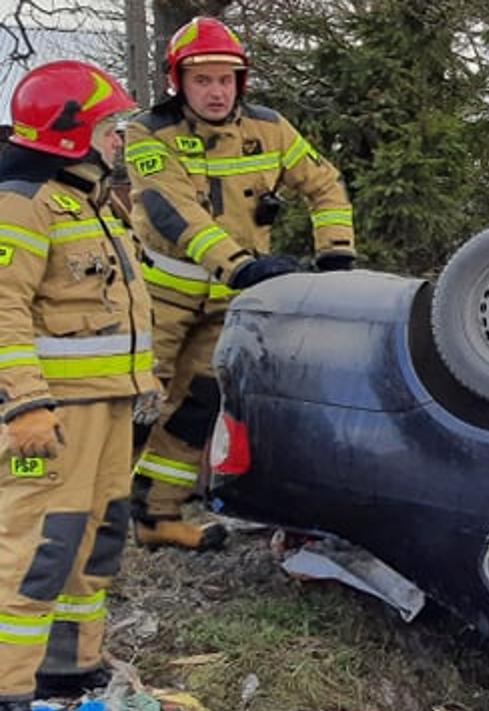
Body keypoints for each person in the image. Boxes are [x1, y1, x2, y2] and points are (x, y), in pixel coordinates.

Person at [125, 16, 355, 549]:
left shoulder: (270, 128)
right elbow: (173, 212)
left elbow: (325, 184)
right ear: (179, 82)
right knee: (135, 404)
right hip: (161, 296)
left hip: (231, 300)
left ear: (240, 82)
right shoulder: (147, 133)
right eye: (202, 79)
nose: (216, 91)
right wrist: (241, 266)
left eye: (225, 79)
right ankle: (92, 518)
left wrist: (336, 255)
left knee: (198, 404)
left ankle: (157, 516)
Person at [0, 61, 159, 711]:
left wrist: (143, 380)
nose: (119, 138)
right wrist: (24, 404)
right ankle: (6, 693)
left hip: (108, 408)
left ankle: (67, 667)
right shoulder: (23, 203)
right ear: (69, 134)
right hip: (49, 419)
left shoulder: (90, 200)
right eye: (108, 126)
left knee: (95, 539)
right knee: (36, 548)